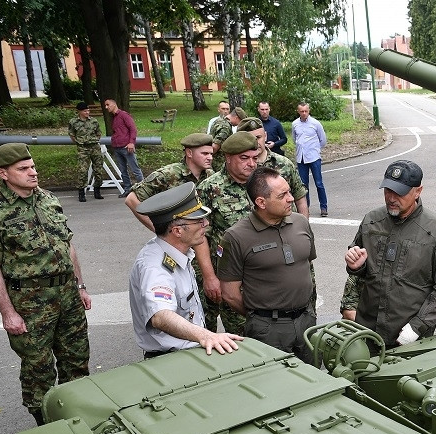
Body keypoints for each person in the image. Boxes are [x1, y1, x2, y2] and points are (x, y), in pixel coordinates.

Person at [0, 143, 91, 425]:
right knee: (38, 368)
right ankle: (46, 426)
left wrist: (80, 286)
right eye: (23, 169)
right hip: (29, 301)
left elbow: (67, 245)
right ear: (3, 173)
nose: (33, 172)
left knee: (77, 360)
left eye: (33, 166)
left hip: (67, 294)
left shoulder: (49, 199)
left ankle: (76, 417)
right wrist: (7, 313)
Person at [344, 160, 436, 347]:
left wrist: (416, 327)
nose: (391, 198)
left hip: (408, 336)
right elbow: (361, 272)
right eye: (388, 190)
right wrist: (356, 266)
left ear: (418, 191)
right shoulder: (371, 221)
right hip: (367, 330)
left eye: (399, 192)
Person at [130, 183, 243, 358]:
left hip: (186, 352)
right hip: (170, 358)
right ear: (177, 231)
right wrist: (206, 335)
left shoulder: (177, 252)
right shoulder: (155, 267)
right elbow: (160, 316)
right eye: (199, 221)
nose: (206, 224)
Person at [217, 167, 317, 362]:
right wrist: (260, 317)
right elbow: (230, 293)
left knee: (315, 379)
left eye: (289, 191)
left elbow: (306, 266)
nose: (290, 198)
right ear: (261, 202)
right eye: (282, 195)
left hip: (307, 321)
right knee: (274, 385)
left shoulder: (301, 223)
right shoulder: (235, 237)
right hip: (268, 330)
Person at [196, 131, 258, 335]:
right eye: (244, 158)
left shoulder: (262, 184)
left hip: (262, 273)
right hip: (230, 277)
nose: (251, 164)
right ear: (228, 158)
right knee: (241, 335)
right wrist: (209, 277)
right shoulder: (209, 188)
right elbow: (200, 236)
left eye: (254, 158)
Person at [124, 132, 215, 231]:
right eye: (205, 153)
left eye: (211, 154)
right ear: (189, 153)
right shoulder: (168, 174)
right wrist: (159, 230)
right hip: (178, 239)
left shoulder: (210, 175)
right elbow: (131, 200)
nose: (210, 158)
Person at [235, 117, 308, 216]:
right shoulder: (236, 169)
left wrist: (303, 228)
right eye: (249, 139)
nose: (255, 143)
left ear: (265, 135)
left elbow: (300, 198)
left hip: (286, 227)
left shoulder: (284, 164)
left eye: (258, 137)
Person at [291, 102, 328, 217]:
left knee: (319, 183)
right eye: (302, 111)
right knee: (303, 185)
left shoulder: (315, 123)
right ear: (298, 111)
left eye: (306, 111)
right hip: (301, 158)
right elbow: (294, 138)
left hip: (314, 157)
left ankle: (324, 207)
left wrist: (315, 150)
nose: (304, 113)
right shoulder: (295, 124)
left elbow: (323, 140)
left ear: (309, 110)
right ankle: (305, 207)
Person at [104, 98, 143, 197]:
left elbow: (133, 129)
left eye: (108, 105)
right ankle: (127, 189)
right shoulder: (114, 118)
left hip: (126, 147)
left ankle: (143, 188)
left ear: (114, 104)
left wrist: (131, 142)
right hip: (117, 147)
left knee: (135, 169)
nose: (106, 107)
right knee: (123, 170)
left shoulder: (124, 115)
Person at [68, 101, 104, 202]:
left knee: (98, 169)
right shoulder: (73, 122)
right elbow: (72, 134)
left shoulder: (94, 121)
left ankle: (97, 190)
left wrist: (93, 140)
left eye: (88, 110)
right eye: (85, 111)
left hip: (94, 147)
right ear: (79, 111)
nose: (87, 112)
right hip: (83, 148)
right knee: (82, 170)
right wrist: (80, 142)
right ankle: (81, 192)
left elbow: (98, 133)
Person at [211, 106, 247, 172]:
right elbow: (215, 146)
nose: (238, 125)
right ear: (236, 118)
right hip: (217, 162)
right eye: (240, 122)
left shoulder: (218, 121)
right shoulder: (226, 127)